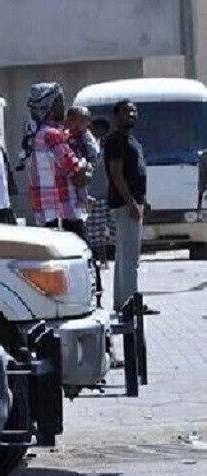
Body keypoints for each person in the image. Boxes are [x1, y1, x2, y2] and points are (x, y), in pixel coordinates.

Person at [106, 100, 158, 315]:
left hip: (134, 202)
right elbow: (116, 174)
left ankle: (122, 302)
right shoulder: (116, 140)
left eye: (134, 111)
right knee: (130, 257)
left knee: (124, 255)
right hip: (125, 204)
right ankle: (131, 303)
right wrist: (131, 203)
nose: (131, 114)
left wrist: (143, 201)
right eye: (126, 111)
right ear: (116, 116)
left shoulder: (132, 141)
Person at [26, 82, 89, 240]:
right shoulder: (52, 135)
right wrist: (86, 163)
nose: (64, 107)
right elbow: (79, 176)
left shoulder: (37, 133)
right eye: (60, 101)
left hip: (47, 213)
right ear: (50, 107)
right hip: (62, 213)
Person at [86, 117, 113, 265]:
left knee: (104, 229)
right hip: (92, 193)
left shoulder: (107, 149)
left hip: (107, 193)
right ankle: (97, 258)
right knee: (94, 230)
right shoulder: (86, 148)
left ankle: (103, 258)